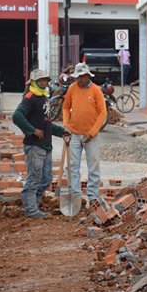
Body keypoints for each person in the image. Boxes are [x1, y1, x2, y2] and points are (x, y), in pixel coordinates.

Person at [12, 69, 70, 219]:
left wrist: (61, 131)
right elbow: (17, 116)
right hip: (34, 145)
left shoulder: (44, 97)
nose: (43, 83)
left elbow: (47, 124)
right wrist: (32, 131)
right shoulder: (30, 97)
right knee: (34, 178)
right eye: (40, 80)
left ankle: (34, 206)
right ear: (33, 82)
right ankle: (31, 210)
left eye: (45, 80)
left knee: (46, 178)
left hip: (46, 144)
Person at [62, 62, 107, 207]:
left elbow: (103, 113)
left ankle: (93, 197)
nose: (79, 80)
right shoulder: (72, 88)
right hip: (74, 134)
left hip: (91, 136)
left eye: (82, 77)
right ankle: (76, 197)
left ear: (88, 76)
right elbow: (66, 107)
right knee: (72, 166)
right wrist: (65, 125)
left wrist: (92, 133)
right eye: (77, 77)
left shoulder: (96, 90)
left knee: (93, 165)